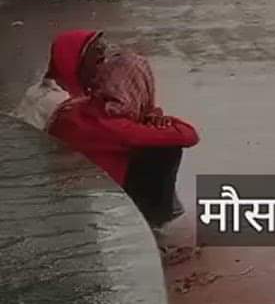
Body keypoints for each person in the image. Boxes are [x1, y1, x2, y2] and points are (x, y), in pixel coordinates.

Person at [48, 52, 199, 227]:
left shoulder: (77, 106)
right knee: (165, 150)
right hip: (94, 208)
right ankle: (156, 226)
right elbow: (188, 135)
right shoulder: (113, 126)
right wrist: (159, 121)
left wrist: (151, 118)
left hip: (63, 195)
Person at [11, 30, 108, 130]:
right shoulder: (64, 104)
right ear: (73, 63)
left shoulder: (35, 90)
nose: (105, 67)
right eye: (99, 62)